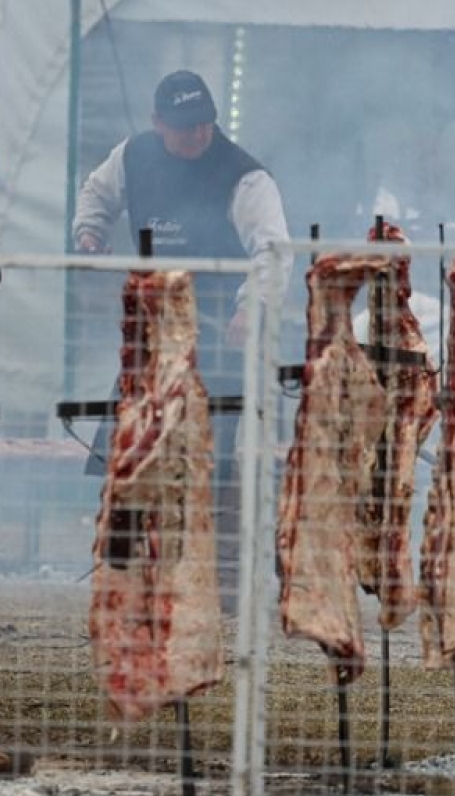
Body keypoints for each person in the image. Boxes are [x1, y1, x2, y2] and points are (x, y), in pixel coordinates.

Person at [73, 69, 291, 612]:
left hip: (218, 340)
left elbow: (272, 249)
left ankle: (214, 583)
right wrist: (89, 231)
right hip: (150, 332)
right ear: (158, 123)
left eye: (204, 124)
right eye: (185, 126)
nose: (197, 134)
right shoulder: (133, 156)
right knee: (131, 450)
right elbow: (96, 194)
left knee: (208, 460)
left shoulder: (245, 176)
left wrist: (251, 307)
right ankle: (134, 576)